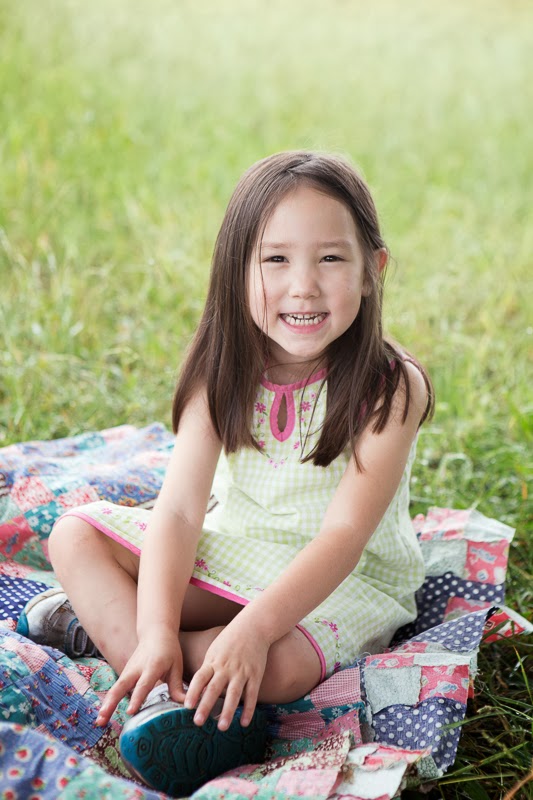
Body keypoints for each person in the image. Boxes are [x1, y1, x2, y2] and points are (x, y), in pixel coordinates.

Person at [17, 150, 433, 795]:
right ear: (236, 271)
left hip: (343, 577)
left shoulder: (390, 386)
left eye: (330, 258)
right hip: (239, 550)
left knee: (281, 669)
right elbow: (181, 510)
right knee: (75, 535)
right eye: (275, 259)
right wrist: (158, 628)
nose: (304, 285)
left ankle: (100, 629)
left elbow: (344, 536)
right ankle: (159, 679)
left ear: (372, 271)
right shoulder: (223, 369)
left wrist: (252, 632)